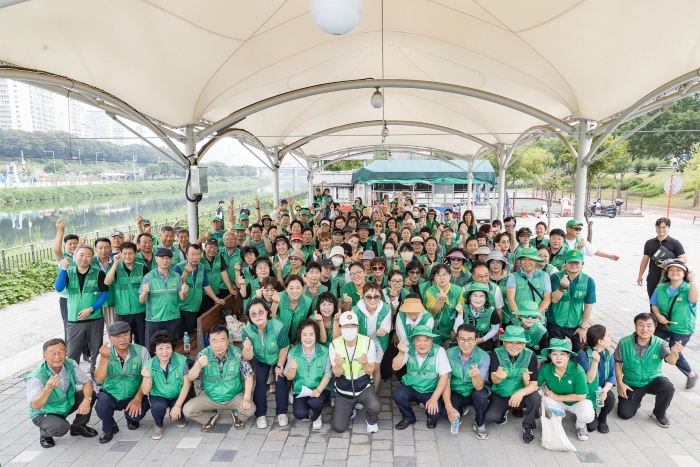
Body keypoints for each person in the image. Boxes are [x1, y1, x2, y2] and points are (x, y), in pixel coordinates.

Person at [26, 338, 97, 449]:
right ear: (44, 356)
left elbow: (87, 382)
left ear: (66, 353)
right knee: (61, 427)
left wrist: (86, 400)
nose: (58, 356)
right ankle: (45, 434)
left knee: (89, 394)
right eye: (52, 353)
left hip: (65, 404)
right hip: (45, 412)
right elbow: (35, 406)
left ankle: (78, 426)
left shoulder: (70, 364)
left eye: (61, 352)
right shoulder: (36, 377)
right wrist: (47, 389)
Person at [615, 313, 684, 427]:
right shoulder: (624, 342)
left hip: (653, 380)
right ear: (635, 326)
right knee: (624, 414)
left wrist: (675, 352)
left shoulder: (660, 343)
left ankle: (659, 414)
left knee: (667, 386)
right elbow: (617, 362)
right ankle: (635, 401)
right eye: (641, 325)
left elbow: (671, 361)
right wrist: (620, 383)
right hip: (632, 383)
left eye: (649, 325)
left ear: (654, 327)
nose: (645, 329)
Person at [183, 324, 256, 432]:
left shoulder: (237, 353)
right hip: (211, 397)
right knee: (187, 410)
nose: (218, 345)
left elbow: (248, 375)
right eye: (214, 341)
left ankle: (236, 414)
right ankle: (211, 416)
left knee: (250, 410)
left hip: (234, 396)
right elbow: (190, 377)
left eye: (222, 340)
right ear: (209, 341)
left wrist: (246, 398)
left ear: (228, 340)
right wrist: (198, 365)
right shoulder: (203, 354)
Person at [54, 244, 108, 375]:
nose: (84, 258)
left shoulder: (98, 273)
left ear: (92, 258)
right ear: (75, 256)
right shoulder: (68, 272)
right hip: (74, 320)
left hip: (95, 318)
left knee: (96, 350)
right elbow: (59, 288)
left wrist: (90, 309)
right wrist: (63, 269)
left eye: (88, 255)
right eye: (81, 255)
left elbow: (105, 295)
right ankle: (71, 380)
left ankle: (97, 377)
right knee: (72, 353)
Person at [93, 322, 151, 443]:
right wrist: (104, 359)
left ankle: (131, 418)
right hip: (111, 393)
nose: (122, 339)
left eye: (125, 335)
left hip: (133, 394)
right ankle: (109, 428)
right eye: (117, 337)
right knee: (101, 406)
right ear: (109, 338)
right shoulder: (104, 353)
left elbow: (147, 378)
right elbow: (98, 380)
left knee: (138, 413)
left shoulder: (142, 351)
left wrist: (138, 398)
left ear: (130, 335)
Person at [484, 326, 541, 444]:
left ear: (524, 344)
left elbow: (534, 384)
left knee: (535, 397)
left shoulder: (531, 355)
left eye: (519, 343)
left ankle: (528, 427)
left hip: (521, 395)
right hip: (501, 394)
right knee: (490, 418)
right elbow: (493, 380)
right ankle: (505, 410)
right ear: (504, 342)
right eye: (510, 342)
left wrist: (520, 393)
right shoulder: (496, 353)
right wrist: (497, 377)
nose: (514, 346)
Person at [241, 298, 291, 429]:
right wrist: (247, 349)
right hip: (260, 358)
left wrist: (279, 366)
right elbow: (248, 357)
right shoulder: (247, 330)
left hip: (278, 356)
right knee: (260, 383)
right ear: (249, 316)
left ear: (267, 312)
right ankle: (261, 414)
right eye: (253, 314)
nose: (257, 316)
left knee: (280, 382)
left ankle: (282, 412)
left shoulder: (278, 327)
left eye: (260, 312)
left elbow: (285, 347)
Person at [330, 311, 382, 433]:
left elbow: (371, 370)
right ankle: (350, 408)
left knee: (375, 406)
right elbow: (337, 373)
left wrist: (364, 363)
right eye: (345, 326)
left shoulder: (367, 342)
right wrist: (338, 365)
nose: (349, 329)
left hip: (363, 387)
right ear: (340, 329)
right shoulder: (335, 345)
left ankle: (371, 420)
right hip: (344, 390)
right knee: (339, 427)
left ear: (357, 328)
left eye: (352, 326)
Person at [650, 261, 697, 388]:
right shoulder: (661, 288)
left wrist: (692, 282)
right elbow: (654, 305)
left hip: (682, 328)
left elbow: (693, 300)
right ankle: (651, 374)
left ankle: (691, 374)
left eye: (679, 270)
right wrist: (659, 316)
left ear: (684, 273)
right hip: (663, 326)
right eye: (672, 270)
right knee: (652, 345)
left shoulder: (688, 288)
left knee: (673, 351)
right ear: (667, 272)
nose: (675, 272)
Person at [392, 324, 449, 430]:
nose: (422, 344)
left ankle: (431, 418)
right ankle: (408, 417)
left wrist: (434, 399)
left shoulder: (439, 351)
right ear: (413, 341)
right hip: (412, 387)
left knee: (435, 413)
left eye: (426, 340)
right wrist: (401, 353)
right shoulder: (408, 349)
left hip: (430, 390)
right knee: (398, 395)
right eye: (418, 340)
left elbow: (444, 377)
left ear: (432, 340)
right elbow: (395, 367)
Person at [538, 338, 594, 441]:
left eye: (563, 354)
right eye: (554, 354)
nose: (558, 358)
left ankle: (581, 425)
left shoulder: (578, 370)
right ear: (550, 355)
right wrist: (526, 380)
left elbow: (581, 396)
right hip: (557, 401)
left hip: (576, 402)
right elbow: (536, 385)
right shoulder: (545, 368)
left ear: (568, 356)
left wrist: (557, 396)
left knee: (587, 415)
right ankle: (554, 423)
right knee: (545, 400)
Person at [443, 323, 491, 440]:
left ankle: (479, 423)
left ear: (475, 341)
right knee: (445, 413)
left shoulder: (484, 356)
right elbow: (446, 382)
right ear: (457, 340)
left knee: (482, 396)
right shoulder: (448, 354)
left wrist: (475, 376)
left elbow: (479, 387)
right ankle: (461, 408)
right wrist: (449, 407)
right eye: (462, 339)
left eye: (470, 340)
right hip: (456, 390)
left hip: (474, 390)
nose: (466, 343)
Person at [140, 331, 191, 439]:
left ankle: (179, 416)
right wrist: (147, 377)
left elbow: (186, 385)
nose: (165, 352)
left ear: (172, 348)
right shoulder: (148, 365)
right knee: (158, 407)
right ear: (155, 350)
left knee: (180, 409)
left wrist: (177, 406)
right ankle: (158, 425)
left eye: (168, 347)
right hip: (159, 394)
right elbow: (145, 391)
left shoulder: (182, 360)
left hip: (177, 393)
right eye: (160, 348)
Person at [284, 319, 332, 430]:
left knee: (315, 402)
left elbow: (328, 374)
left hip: (320, 388)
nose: (308, 338)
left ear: (316, 335)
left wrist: (318, 390)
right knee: (299, 414)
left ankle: (317, 415)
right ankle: (307, 408)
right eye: (304, 335)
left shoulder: (325, 351)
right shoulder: (293, 352)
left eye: (311, 334)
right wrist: (292, 369)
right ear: (300, 336)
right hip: (301, 389)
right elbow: (289, 376)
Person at [173, 243, 226, 340]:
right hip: (180, 308)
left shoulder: (202, 267)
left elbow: (206, 285)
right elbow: (176, 286)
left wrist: (216, 298)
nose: (195, 257)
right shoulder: (178, 267)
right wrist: (185, 273)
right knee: (178, 336)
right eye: (192, 254)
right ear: (186, 255)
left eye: (198, 254)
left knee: (189, 333)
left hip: (194, 307)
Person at [139, 248, 189, 348]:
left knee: (172, 347)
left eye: (168, 258)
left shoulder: (176, 276)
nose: (165, 261)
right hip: (154, 320)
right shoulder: (148, 277)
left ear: (171, 260)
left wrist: (184, 292)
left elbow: (183, 298)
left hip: (173, 318)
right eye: (162, 258)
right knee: (153, 348)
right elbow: (141, 300)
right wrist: (145, 292)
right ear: (156, 259)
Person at [548, 250, 596, 353]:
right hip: (556, 324)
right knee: (556, 353)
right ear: (565, 263)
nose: (573, 265)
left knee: (580, 353)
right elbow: (554, 300)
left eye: (577, 262)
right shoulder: (555, 277)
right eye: (570, 262)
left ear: (582, 264)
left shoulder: (588, 281)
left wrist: (583, 327)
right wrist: (562, 287)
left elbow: (588, 307)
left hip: (576, 325)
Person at [104, 242, 149, 346]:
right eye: (124, 253)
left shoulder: (142, 268)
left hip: (141, 310)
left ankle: (143, 360)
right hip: (123, 311)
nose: (127, 256)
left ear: (135, 254)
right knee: (125, 339)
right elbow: (107, 282)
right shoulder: (115, 267)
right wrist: (115, 264)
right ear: (120, 253)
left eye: (130, 253)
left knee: (142, 338)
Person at [576, 324, 616, 433]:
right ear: (600, 341)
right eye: (607, 336)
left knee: (611, 398)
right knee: (591, 427)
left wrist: (605, 390)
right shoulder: (582, 354)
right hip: (588, 392)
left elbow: (612, 375)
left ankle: (603, 419)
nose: (610, 338)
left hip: (601, 389)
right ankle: (589, 411)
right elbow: (589, 379)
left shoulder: (609, 353)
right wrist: (595, 362)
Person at [354, 281, 392, 391]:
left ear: (380, 297)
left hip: (378, 340)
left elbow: (386, 327)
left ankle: (373, 393)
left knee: (375, 368)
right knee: (362, 368)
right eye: (368, 296)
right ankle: (360, 392)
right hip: (361, 341)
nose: (372, 299)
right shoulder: (356, 310)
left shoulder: (386, 308)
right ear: (363, 296)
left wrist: (383, 331)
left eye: (376, 296)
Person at [638, 217, 687, 297]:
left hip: (669, 278)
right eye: (658, 227)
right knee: (653, 302)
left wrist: (667, 262)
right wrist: (640, 276)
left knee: (665, 304)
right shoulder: (649, 243)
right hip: (652, 278)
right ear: (656, 228)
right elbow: (644, 260)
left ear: (669, 228)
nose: (661, 230)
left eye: (664, 227)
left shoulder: (675, 243)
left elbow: (684, 259)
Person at [424, 264, 464, 347]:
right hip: (434, 329)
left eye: (444, 275)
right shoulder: (430, 291)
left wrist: (455, 329)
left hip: (452, 330)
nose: (441, 278)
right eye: (438, 275)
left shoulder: (459, 290)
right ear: (434, 278)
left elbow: (461, 312)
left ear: (450, 276)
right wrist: (441, 300)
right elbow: (435, 310)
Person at [506, 247, 551, 319]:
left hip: (538, 319)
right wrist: (519, 316)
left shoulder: (544, 276)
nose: (527, 262)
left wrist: (535, 315)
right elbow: (510, 298)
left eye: (531, 259)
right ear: (520, 261)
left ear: (536, 261)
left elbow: (547, 298)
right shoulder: (513, 276)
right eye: (524, 259)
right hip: (519, 320)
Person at [454, 282, 501, 351]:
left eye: (481, 296)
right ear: (470, 297)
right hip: (465, 343)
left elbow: (494, 329)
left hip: (485, 343)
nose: (478, 299)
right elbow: (456, 330)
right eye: (475, 296)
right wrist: (460, 314)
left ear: (485, 298)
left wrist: (482, 339)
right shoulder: (462, 309)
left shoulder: (492, 310)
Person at [272, 274, 313, 343]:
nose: (295, 291)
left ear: (302, 288)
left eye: (298, 288)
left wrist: (298, 341)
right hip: (277, 338)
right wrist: (275, 303)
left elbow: (307, 323)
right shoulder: (279, 297)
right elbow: (271, 318)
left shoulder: (308, 301)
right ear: (286, 288)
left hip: (297, 340)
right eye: (291, 288)